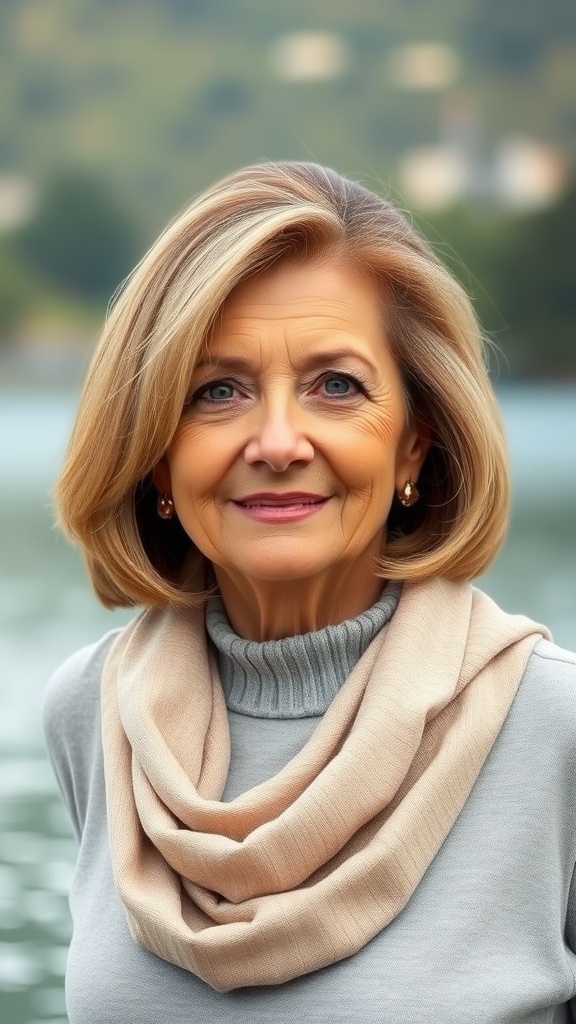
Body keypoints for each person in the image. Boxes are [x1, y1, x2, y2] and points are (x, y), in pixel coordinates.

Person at [44, 161, 576, 1023]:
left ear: (414, 446)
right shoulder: (93, 711)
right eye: (219, 391)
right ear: (155, 455)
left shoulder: (557, 728)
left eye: (337, 385)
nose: (279, 440)